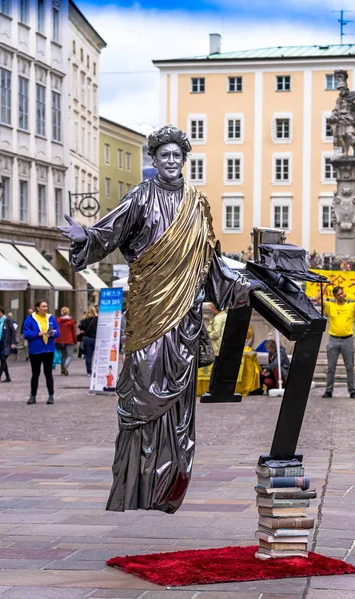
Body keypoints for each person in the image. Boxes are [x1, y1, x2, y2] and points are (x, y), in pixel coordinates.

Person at [59, 125, 252, 514]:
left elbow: (209, 259)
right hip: (149, 310)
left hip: (184, 314)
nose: (170, 161)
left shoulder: (198, 203)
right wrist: (86, 237)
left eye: (176, 155)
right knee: (144, 390)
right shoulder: (140, 197)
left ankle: (169, 483)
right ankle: (138, 483)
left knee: (179, 401)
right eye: (163, 155)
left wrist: (245, 283)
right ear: (154, 159)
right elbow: (108, 232)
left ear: (184, 160)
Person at [315, 284, 355, 399]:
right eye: (338, 295)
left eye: (342, 293)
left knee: (350, 367)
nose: (341, 296)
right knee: (331, 367)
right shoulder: (330, 306)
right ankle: (329, 390)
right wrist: (326, 285)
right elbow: (317, 299)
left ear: (344, 293)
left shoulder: (351, 306)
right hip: (333, 340)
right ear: (335, 297)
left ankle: (352, 390)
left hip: (347, 340)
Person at [23, 300, 60, 405]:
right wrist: (37, 333)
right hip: (35, 351)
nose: (46, 308)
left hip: (48, 349)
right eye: (43, 306)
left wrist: (53, 333)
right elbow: (26, 333)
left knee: (48, 374)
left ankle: (51, 396)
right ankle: (33, 396)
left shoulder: (51, 318)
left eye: (46, 306)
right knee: (35, 374)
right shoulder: (30, 319)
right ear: (37, 308)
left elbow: (58, 332)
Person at [207, 304, 227, 393]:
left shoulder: (218, 318)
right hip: (223, 347)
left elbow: (216, 334)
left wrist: (206, 336)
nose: (211, 310)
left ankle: (212, 390)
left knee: (216, 370)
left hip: (217, 347)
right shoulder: (225, 315)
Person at [0, 308, 16, 383]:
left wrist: (13, 342)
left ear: (2, 313)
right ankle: (8, 377)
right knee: (3, 360)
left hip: (6, 344)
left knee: (3, 359)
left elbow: (13, 332)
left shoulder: (7, 320)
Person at [55, 306, 77, 376]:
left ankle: (62, 371)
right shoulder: (71, 321)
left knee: (63, 356)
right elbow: (73, 332)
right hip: (69, 340)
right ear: (68, 312)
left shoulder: (58, 321)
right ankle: (66, 366)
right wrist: (75, 341)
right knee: (70, 355)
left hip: (60, 340)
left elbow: (55, 330)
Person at [78, 307, 98, 376]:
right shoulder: (97, 319)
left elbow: (80, 327)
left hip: (87, 339)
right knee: (97, 356)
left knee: (88, 356)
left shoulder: (84, 321)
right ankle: (96, 370)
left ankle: (89, 371)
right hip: (96, 339)